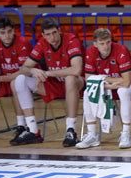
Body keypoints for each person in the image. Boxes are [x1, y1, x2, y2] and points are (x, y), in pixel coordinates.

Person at [13, 18, 84, 147]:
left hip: (76, 84)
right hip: (55, 84)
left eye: (54, 33)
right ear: (43, 36)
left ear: (59, 31)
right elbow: (23, 68)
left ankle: (71, 130)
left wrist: (49, 73)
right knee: (20, 80)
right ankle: (33, 130)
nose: (52, 37)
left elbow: (77, 69)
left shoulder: (71, 40)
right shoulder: (42, 43)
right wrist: (32, 70)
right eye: (48, 34)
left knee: (70, 78)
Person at [77, 28, 131, 149]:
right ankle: (92, 134)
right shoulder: (90, 52)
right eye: (102, 43)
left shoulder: (121, 50)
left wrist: (102, 80)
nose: (106, 46)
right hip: (109, 85)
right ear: (95, 44)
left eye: (108, 42)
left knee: (123, 91)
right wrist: (107, 83)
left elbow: (126, 82)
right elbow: (89, 79)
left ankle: (126, 134)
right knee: (88, 92)